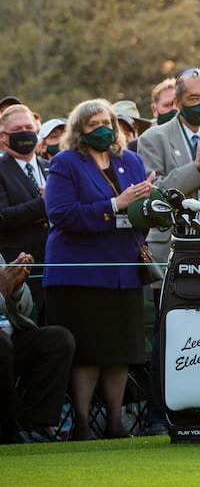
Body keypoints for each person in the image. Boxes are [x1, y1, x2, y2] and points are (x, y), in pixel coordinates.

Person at [43, 98, 155, 441]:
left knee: (119, 349)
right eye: (93, 125)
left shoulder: (130, 161)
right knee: (89, 350)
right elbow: (60, 214)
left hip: (123, 270)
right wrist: (113, 205)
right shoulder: (65, 163)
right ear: (80, 131)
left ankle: (116, 422)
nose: (103, 130)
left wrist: (150, 206)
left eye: (107, 122)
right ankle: (80, 422)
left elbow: (140, 212)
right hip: (81, 272)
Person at [138, 67, 200, 437]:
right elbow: (153, 195)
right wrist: (197, 166)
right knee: (169, 334)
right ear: (178, 101)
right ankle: (160, 413)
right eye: (194, 99)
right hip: (170, 251)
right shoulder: (154, 138)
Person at [0, 251, 75, 444]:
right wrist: (1, 291)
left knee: (59, 339)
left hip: (11, 336)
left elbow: (24, 309)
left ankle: (37, 424)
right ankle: (11, 424)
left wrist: (16, 287)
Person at [1, 104, 53, 322]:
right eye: (17, 129)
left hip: (54, 264)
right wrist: (41, 204)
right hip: (19, 269)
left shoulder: (51, 166)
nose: (25, 133)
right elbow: (3, 216)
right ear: (3, 136)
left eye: (29, 127)